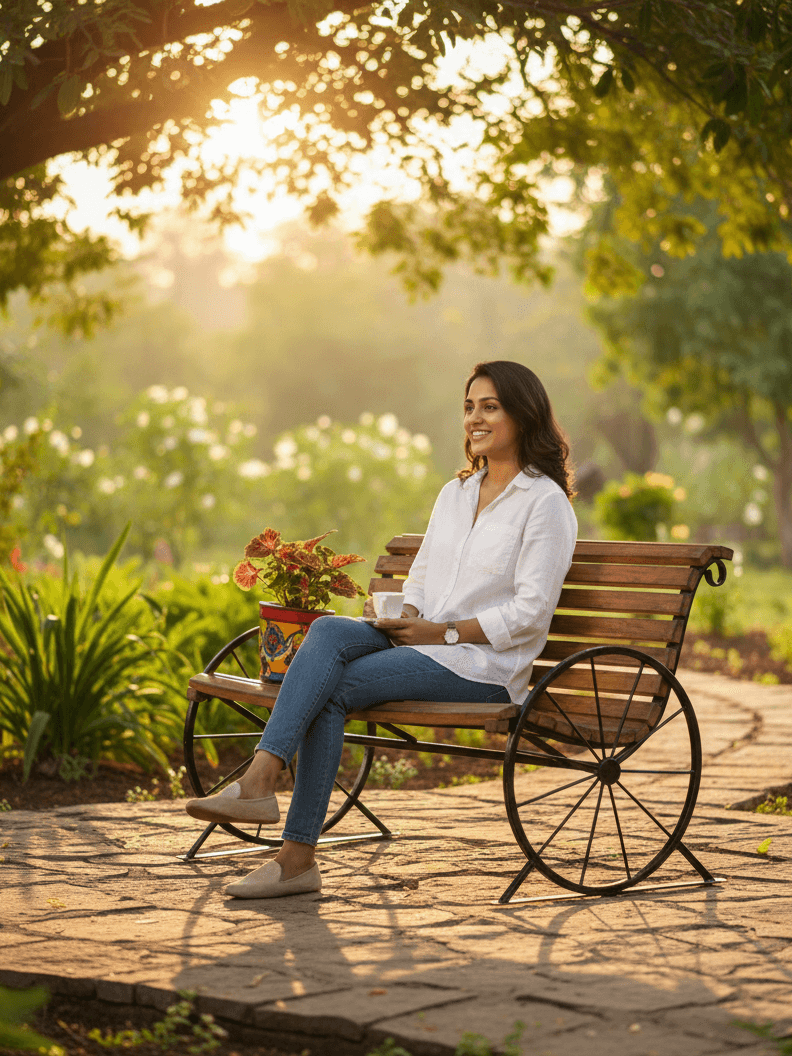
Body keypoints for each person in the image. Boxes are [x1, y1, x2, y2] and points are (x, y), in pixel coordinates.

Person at [184, 360, 578, 898]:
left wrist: (444, 633)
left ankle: (292, 852)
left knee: (331, 690)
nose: (475, 419)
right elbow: (420, 575)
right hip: (423, 641)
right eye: (469, 407)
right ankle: (262, 784)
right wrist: (411, 614)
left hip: (481, 665)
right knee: (325, 634)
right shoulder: (456, 494)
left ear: (523, 414)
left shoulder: (545, 504)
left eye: (490, 406)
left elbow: (531, 612)